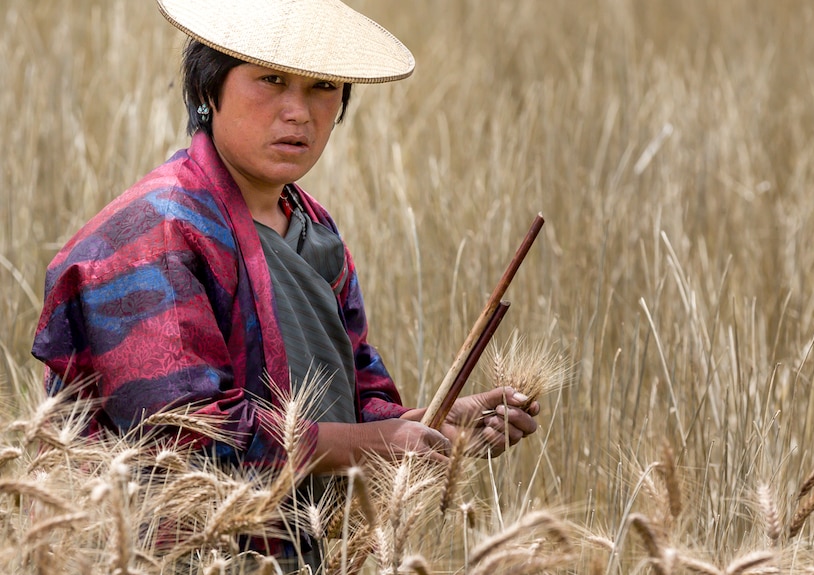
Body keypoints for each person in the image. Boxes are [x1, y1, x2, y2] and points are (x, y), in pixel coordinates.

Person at [31, 0, 539, 569]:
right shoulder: (153, 233)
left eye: (323, 85)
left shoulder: (315, 231)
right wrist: (382, 441)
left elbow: (354, 410)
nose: (298, 111)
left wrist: (439, 426)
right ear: (208, 88)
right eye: (270, 80)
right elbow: (188, 434)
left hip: (295, 552)